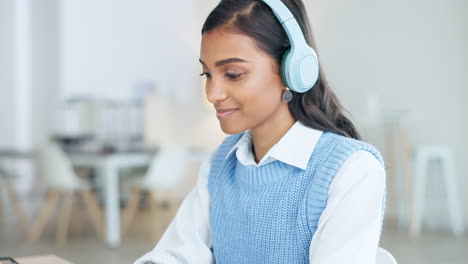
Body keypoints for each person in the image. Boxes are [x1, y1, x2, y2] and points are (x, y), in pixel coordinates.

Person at [134, 0, 386, 263]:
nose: (212, 94)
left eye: (232, 74)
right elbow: (178, 254)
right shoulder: (221, 163)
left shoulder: (351, 170)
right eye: (207, 74)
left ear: (293, 70)